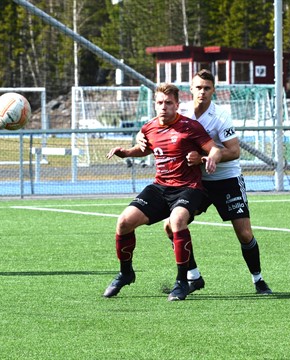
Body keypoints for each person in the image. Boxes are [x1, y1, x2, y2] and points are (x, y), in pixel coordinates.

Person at [138, 69, 272, 295]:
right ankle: (193, 277)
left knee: (244, 233)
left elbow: (234, 151)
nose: (202, 92)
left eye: (207, 88)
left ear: (214, 91)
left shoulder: (221, 115)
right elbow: (154, 127)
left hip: (225, 178)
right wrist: (139, 137)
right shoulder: (181, 111)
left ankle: (258, 280)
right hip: (195, 182)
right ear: (191, 90)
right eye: (198, 87)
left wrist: (203, 158)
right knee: (171, 225)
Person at [103, 83, 222, 301]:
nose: (163, 107)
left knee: (176, 221)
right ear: (154, 104)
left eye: (168, 103)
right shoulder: (149, 128)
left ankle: (182, 282)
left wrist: (211, 157)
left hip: (189, 188)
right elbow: (144, 149)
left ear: (177, 105)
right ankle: (125, 273)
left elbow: (213, 147)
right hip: (160, 187)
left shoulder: (190, 126)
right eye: (159, 103)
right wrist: (126, 152)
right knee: (123, 222)